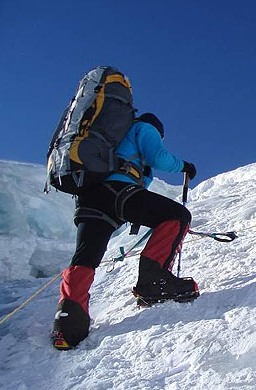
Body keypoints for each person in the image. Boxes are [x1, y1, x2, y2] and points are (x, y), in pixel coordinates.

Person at [52, 112, 198, 350]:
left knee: (85, 256)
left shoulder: (110, 138)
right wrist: (185, 166)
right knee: (177, 216)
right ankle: (154, 282)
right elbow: (158, 157)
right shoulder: (144, 128)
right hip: (117, 191)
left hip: (90, 199)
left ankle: (67, 324)